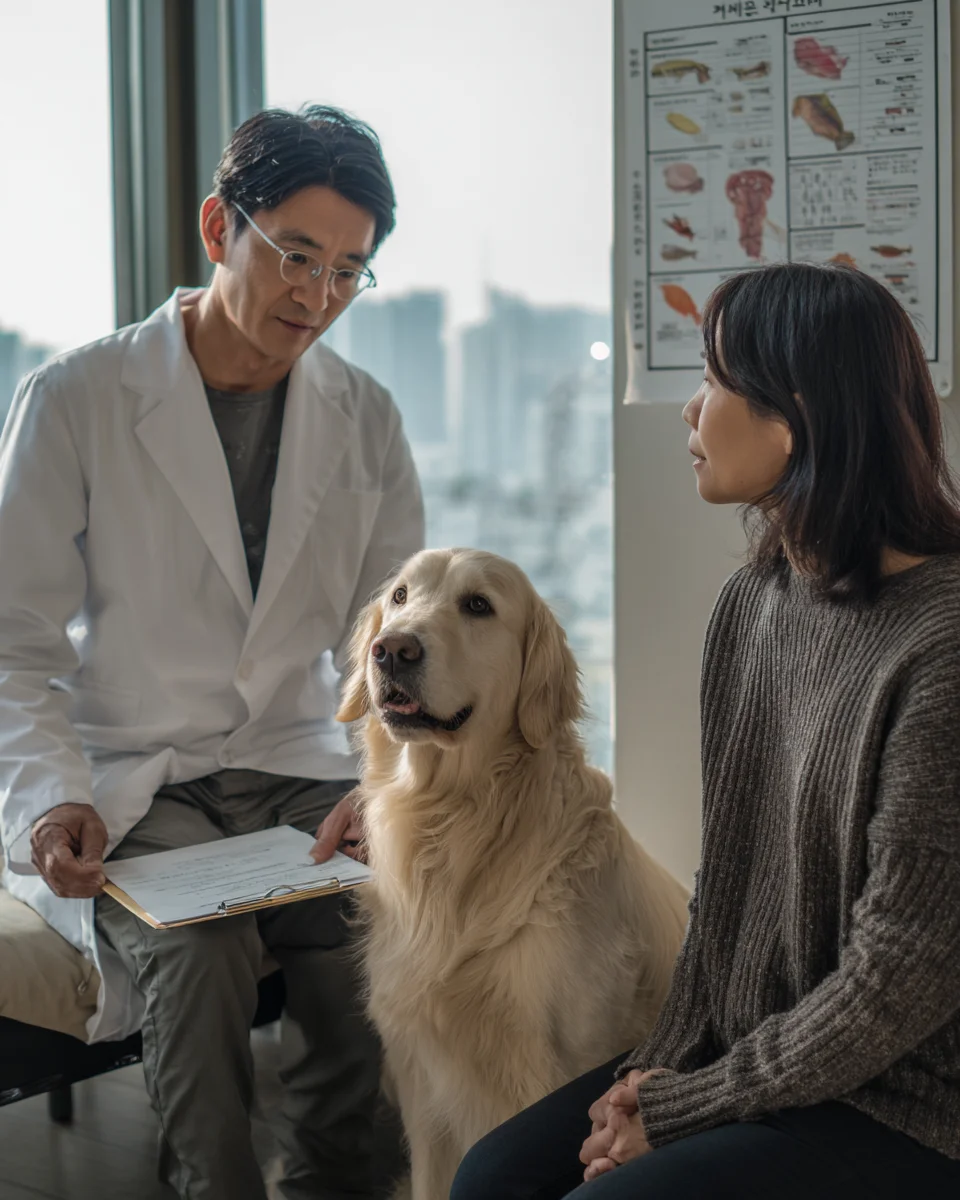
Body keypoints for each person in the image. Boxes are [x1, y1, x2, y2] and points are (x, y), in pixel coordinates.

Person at [446, 262, 960, 1199]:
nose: (691, 411)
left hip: (908, 1104)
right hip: (754, 1059)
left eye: (717, 379)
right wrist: (657, 1077)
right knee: (490, 1180)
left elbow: (903, 977)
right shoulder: (755, 601)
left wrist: (687, 1107)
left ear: (796, 412)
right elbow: (732, 893)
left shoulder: (943, 642)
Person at [0, 106, 423, 1200]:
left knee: (370, 950)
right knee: (195, 962)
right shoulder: (77, 399)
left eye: (347, 271)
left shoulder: (366, 418)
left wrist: (386, 787)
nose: (316, 297)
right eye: (294, 255)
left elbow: (392, 648)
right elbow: (14, 645)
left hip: (299, 766)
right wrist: (49, 800)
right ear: (215, 226)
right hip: (142, 767)